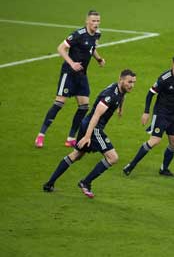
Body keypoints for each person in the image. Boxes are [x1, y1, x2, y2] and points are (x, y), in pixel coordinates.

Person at [42, 70, 137, 198]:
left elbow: (122, 96)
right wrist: (88, 136)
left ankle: (49, 184)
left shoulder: (120, 89)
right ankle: (85, 182)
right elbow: (96, 115)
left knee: (77, 155)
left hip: (86, 124)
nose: (132, 85)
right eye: (129, 82)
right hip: (93, 127)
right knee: (113, 158)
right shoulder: (110, 96)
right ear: (121, 80)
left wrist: (120, 108)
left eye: (134, 82)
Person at [35, 10, 106, 148]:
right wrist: (71, 63)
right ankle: (41, 135)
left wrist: (98, 59)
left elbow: (91, 48)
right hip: (69, 73)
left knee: (84, 106)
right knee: (59, 103)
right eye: (93, 21)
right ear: (87, 21)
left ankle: (71, 138)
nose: (96, 24)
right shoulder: (78, 35)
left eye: (98, 21)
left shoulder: (97, 34)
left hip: (82, 75)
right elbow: (61, 48)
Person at [123, 55, 174, 177]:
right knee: (155, 141)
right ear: (173, 65)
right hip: (161, 113)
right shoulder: (164, 79)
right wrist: (146, 112)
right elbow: (150, 94)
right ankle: (131, 165)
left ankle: (164, 169)